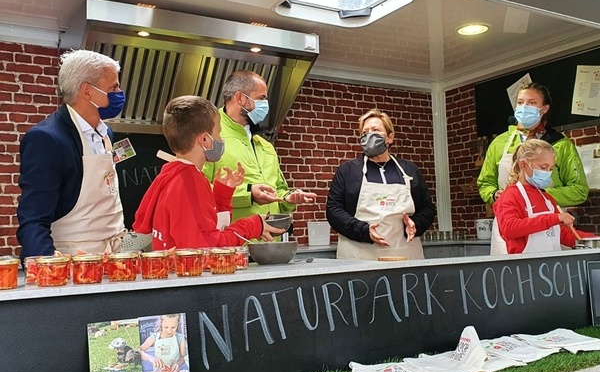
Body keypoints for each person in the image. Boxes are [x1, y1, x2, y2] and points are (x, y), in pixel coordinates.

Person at [133, 95, 284, 250]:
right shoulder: (190, 182)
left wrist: (222, 195)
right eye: (218, 133)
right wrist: (252, 226)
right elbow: (206, 247)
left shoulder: (174, 174)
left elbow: (208, 227)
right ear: (205, 140)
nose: (221, 139)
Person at [17, 49, 127, 259]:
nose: (119, 92)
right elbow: (33, 219)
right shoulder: (47, 139)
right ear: (87, 91)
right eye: (113, 86)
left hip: (113, 257)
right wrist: (48, 267)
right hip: (73, 261)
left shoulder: (106, 134)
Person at [477, 82, 589, 255]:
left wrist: (540, 198)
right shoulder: (499, 143)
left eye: (532, 103)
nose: (524, 107)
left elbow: (580, 190)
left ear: (544, 109)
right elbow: (485, 183)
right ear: (522, 164)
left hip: (552, 224)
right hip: (510, 225)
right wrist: (493, 194)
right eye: (520, 102)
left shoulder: (561, 143)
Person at [201, 70, 317, 223]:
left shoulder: (265, 145)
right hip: (233, 243)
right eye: (261, 98)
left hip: (269, 241)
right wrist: (248, 195)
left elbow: (279, 190)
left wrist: (288, 198)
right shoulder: (210, 135)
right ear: (240, 98)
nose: (265, 105)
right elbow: (198, 190)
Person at [326, 109, 436, 260]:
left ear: (390, 137)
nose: (369, 135)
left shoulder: (409, 169)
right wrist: (363, 231)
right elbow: (333, 210)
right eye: (365, 132)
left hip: (404, 253)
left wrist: (416, 224)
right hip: (359, 255)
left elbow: (428, 208)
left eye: (376, 130)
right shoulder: (348, 171)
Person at [493, 139, 594, 254]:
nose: (547, 173)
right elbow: (509, 228)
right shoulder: (510, 195)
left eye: (551, 169)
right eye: (543, 167)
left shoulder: (547, 198)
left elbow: (561, 233)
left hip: (552, 264)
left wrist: (591, 239)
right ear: (524, 164)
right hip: (524, 267)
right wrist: (554, 218)